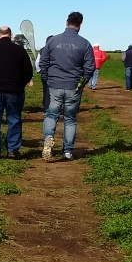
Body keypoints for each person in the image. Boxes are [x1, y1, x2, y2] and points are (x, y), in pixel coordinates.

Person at [40, 12, 95, 161]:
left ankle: (48, 137)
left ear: (66, 22)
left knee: (51, 114)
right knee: (70, 119)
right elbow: (90, 67)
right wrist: (82, 83)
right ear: (80, 25)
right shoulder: (85, 43)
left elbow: (43, 63)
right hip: (73, 86)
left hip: (54, 85)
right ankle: (68, 151)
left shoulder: (53, 41)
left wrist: (47, 79)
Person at [0, 26, 33, 159]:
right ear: (11, 35)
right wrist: (20, 85)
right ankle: (12, 150)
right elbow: (28, 72)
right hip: (14, 91)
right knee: (14, 119)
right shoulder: (20, 51)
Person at [36, 35, 53, 112]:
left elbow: (37, 62)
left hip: (45, 73)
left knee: (45, 90)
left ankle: (46, 107)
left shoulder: (42, 50)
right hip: (55, 74)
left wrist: (40, 71)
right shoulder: (57, 49)